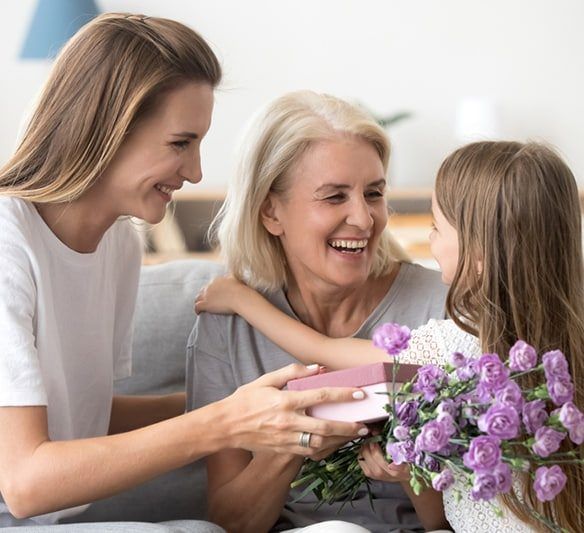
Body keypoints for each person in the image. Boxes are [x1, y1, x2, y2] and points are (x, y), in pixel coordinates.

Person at [0, 14, 372, 530]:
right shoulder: (7, 244)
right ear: (106, 128)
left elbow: (81, 417)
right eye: (180, 143)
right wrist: (223, 422)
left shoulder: (117, 245)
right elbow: (24, 483)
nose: (195, 171)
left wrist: (259, 403)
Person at [197, 141, 584, 532]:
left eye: (436, 228)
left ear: (479, 254)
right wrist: (409, 470)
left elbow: (322, 349)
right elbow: (440, 520)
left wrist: (242, 300)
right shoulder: (571, 350)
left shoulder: (452, 349)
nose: (429, 242)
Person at [186, 90, 449, 533]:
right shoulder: (227, 327)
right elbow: (228, 522)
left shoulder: (440, 309)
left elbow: (474, 513)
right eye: (334, 197)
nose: (364, 220)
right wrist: (293, 442)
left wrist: (414, 469)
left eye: (373, 193)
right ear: (271, 211)